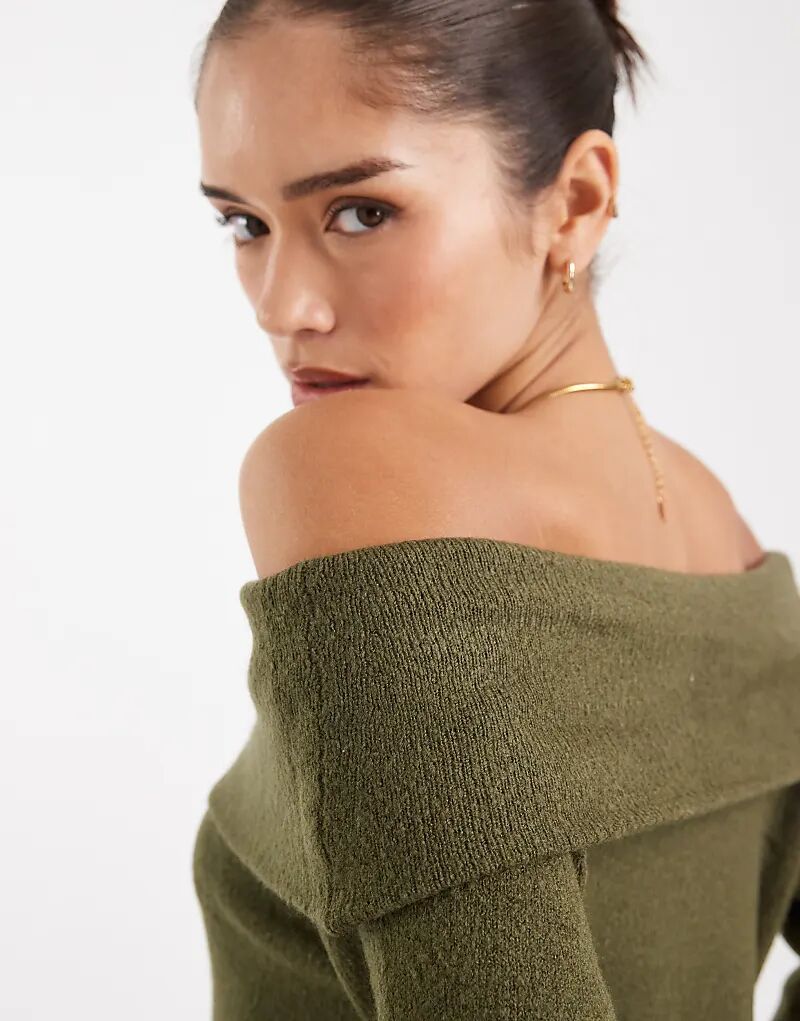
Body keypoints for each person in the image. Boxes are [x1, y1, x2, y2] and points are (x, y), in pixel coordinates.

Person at [189, 2, 800, 1018]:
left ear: (575, 201)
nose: (281, 306)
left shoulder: (348, 469)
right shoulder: (721, 531)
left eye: (360, 212)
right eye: (243, 223)